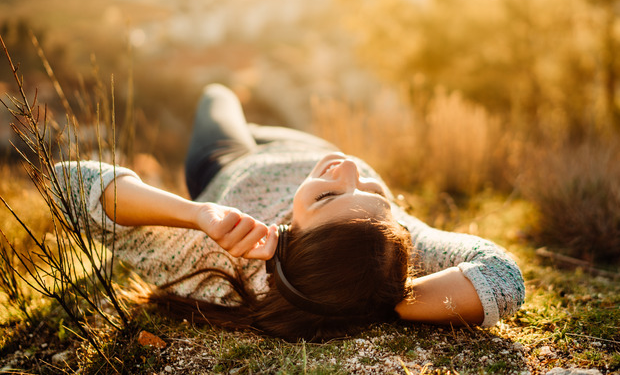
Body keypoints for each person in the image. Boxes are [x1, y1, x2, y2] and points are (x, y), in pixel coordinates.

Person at [54, 84, 525, 341]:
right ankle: (263, 122)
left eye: (327, 198)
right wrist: (385, 295)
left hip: (230, 159)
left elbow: (65, 184)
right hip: (304, 146)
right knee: (268, 115)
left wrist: (197, 215)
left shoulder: (214, 261)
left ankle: (245, 118)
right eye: (377, 194)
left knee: (217, 96)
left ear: (292, 235)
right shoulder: (395, 243)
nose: (350, 171)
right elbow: (503, 277)